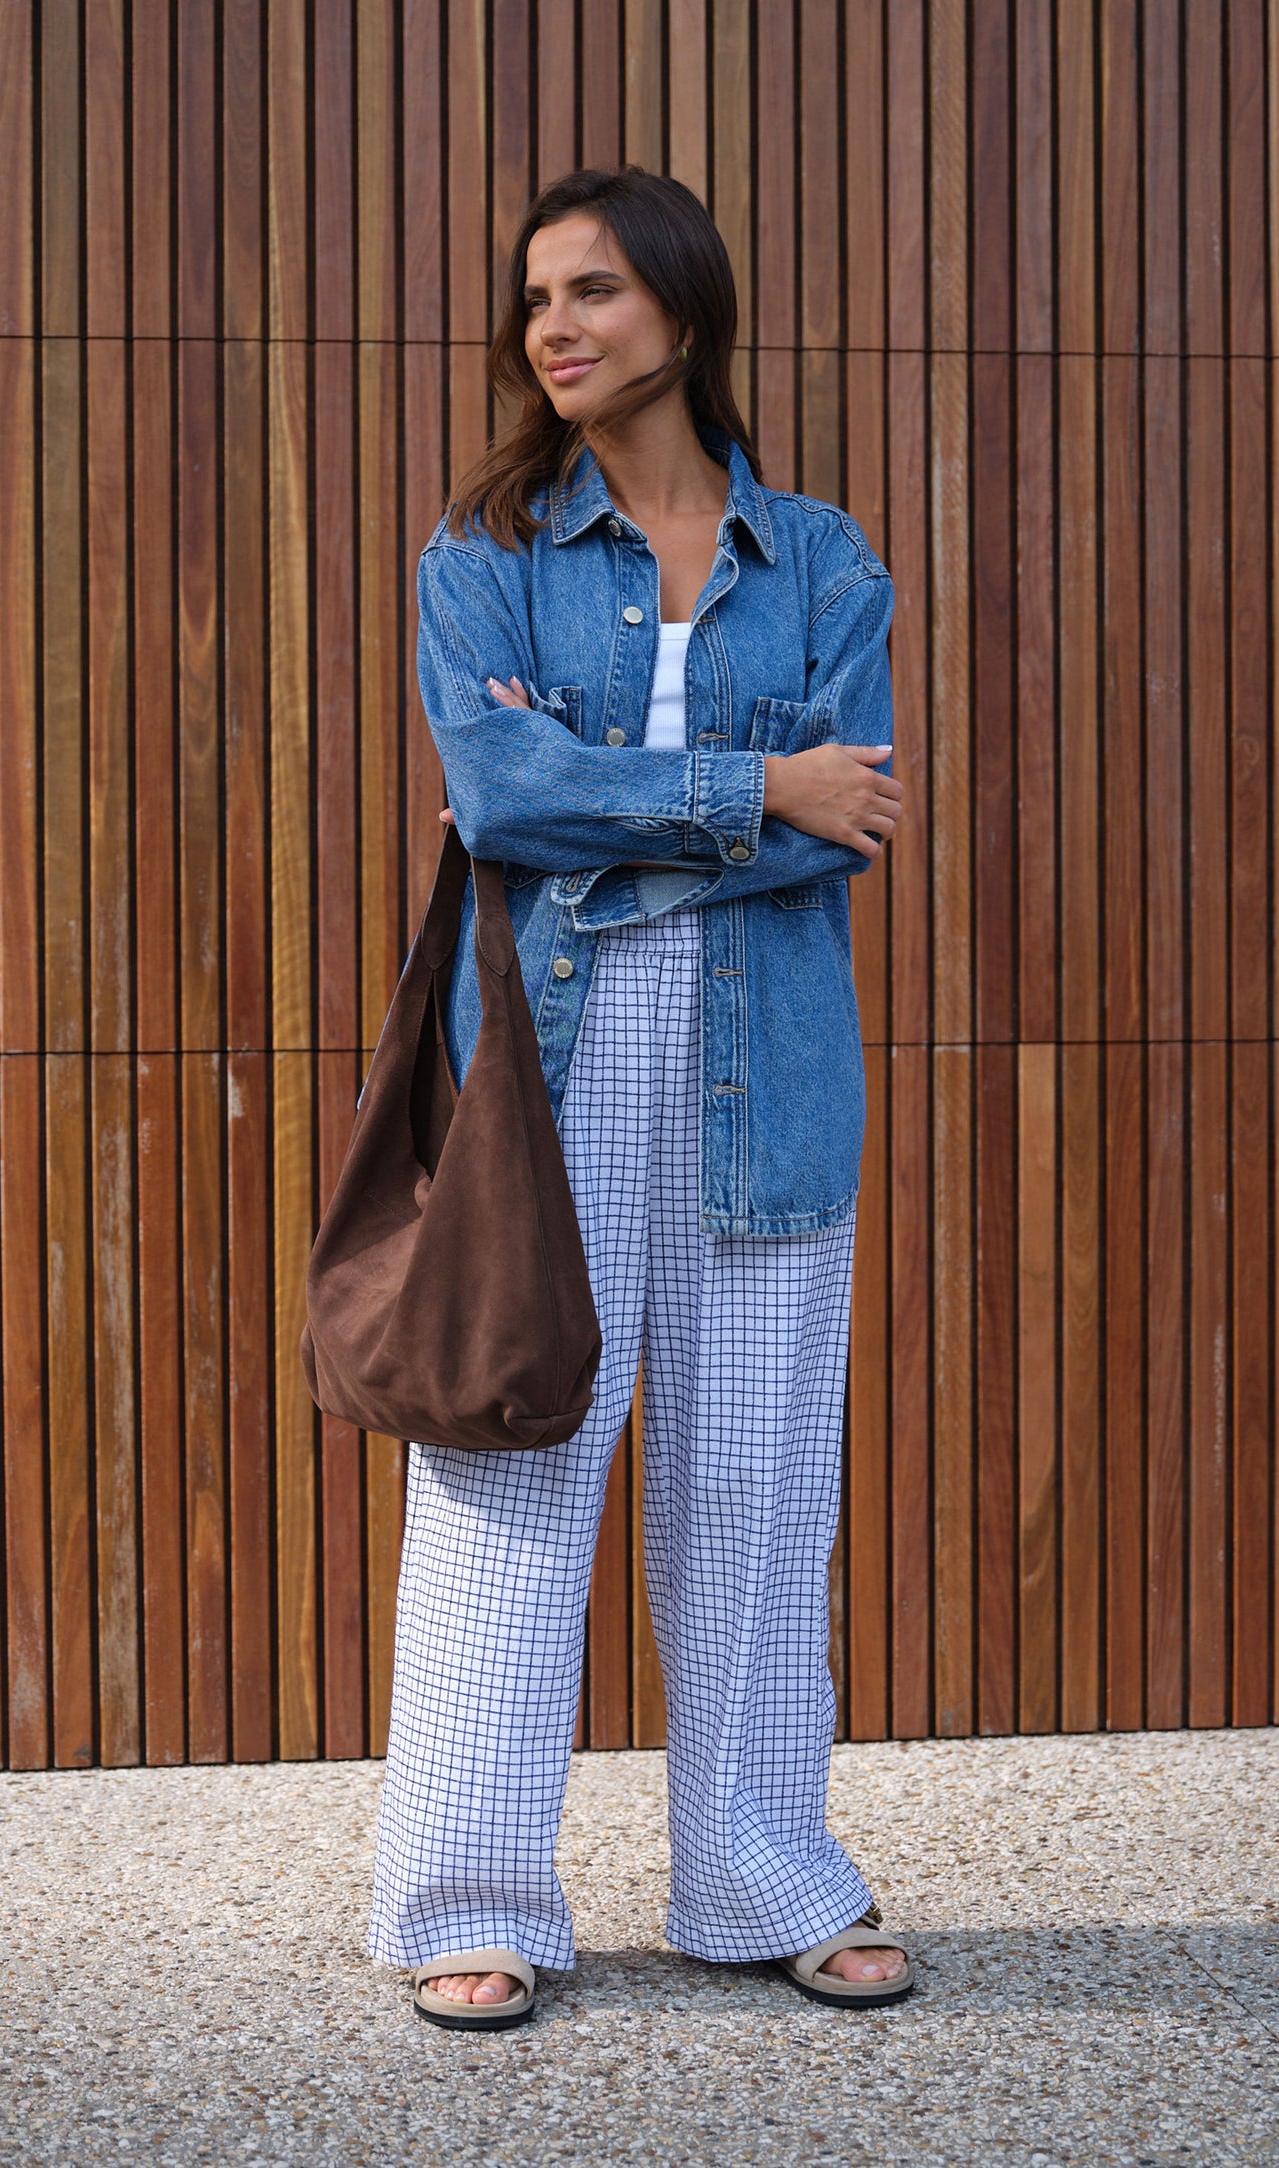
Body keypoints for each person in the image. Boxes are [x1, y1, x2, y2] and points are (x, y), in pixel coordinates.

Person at [367, 165, 911, 2029]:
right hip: (552, 1065)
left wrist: (598, 802)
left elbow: (858, 828)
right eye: (535, 301)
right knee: (511, 1458)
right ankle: (469, 1891)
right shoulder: (484, 553)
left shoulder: (828, 563)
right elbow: (499, 800)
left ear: (683, 309)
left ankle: (763, 1880)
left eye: (592, 291)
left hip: (772, 1073)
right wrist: (755, 789)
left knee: (755, 1488)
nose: (555, 329)